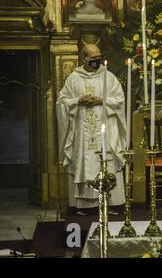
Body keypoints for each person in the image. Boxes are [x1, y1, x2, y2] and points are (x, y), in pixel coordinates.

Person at [56, 44, 126, 215]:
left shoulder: (108, 77)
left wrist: (101, 100)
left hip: (105, 129)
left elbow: (119, 99)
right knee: (85, 161)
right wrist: (78, 100)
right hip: (83, 131)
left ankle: (111, 203)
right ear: (84, 58)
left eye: (98, 56)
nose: (96, 60)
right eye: (92, 57)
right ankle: (86, 206)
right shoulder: (73, 78)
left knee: (107, 161)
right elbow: (62, 102)